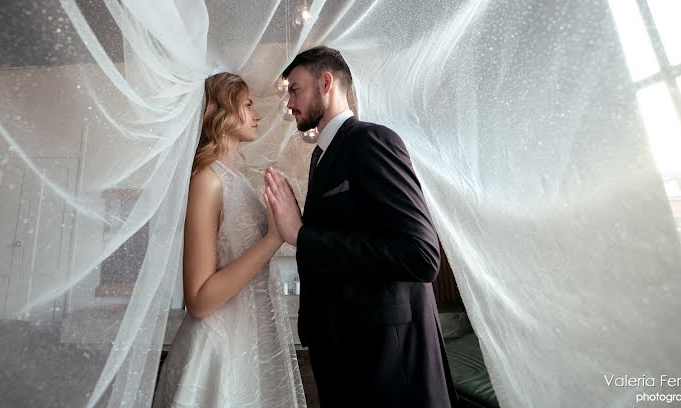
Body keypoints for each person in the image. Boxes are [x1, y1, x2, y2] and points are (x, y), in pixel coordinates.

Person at [264, 46, 459, 407]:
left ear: (326, 83)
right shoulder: (321, 157)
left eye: (294, 89)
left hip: (388, 364)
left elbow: (421, 255)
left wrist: (300, 236)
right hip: (344, 354)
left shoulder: (372, 140)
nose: (288, 103)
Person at [152, 73, 305, 408]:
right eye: (248, 104)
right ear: (220, 110)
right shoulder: (207, 182)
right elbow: (199, 299)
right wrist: (273, 238)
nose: (257, 114)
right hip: (219, 353)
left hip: (249, 343)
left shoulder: (239, 182)